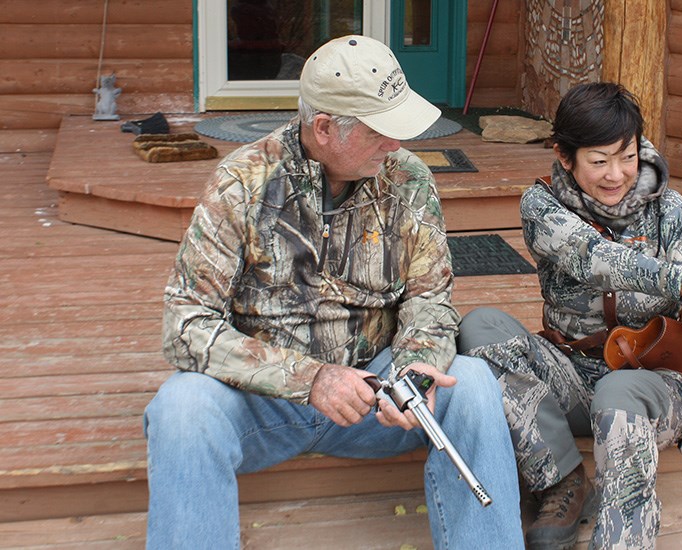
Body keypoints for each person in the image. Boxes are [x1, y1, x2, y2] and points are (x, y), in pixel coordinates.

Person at [143, 35, 523, 549]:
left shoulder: (408, 180)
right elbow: (185, 323)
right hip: (264, 402)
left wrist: (415, 368)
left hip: (378, 397)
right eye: (380, 130)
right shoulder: (243, 184)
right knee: (180, 410)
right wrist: (311, 378)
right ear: (323, 128)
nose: (396, 143)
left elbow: (430, 299)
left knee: (472, 382)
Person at [457, 82, 682, 550]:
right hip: (570, 376)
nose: (616, 174)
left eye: (627, 156)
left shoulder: (671, 211)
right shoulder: (541, 206)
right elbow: (593, 256)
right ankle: (561, 479)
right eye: (598, 161)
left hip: (652, 385)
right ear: (564, 156)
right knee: (479, 326)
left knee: (619, 389)